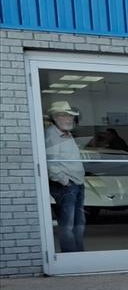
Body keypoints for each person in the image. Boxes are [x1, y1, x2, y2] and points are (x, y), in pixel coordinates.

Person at [44, 101, 86, 252]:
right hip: (66, 186)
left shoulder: (66, 134)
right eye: (64, 115)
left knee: (78, 224)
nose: (69, 119)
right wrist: (65, 181)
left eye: (70, 116)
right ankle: (71, 257)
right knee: (68, 226)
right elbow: (50, 163)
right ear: (55, 117)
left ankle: (78, 255)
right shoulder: (52, 135)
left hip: (76, 184)